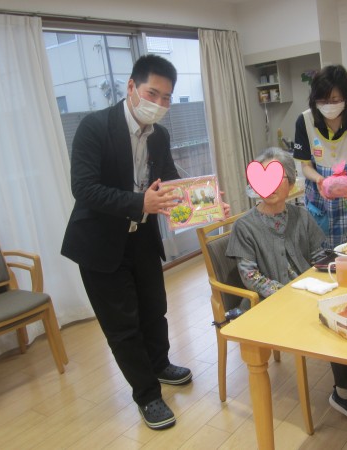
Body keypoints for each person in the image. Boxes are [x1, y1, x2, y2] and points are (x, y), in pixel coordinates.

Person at [62, 55, 227, 431]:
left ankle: (160, 364)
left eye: (167, 97)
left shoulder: (160, 136)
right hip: (100, 245)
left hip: (142, 240)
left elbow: (168, 185)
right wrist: (140, 203)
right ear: (131, 88)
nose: (159, 103)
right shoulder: (95, 127)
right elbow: (83, 188)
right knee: (123, 326)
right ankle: (147, 394)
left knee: (155, 309)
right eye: (153, 93)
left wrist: (205, 204)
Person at [226, 147, 347, 428]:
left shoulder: (300, 215)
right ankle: (344, 393)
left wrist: (330, 277)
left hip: (308, 290)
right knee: (335, 319)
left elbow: (319, 254)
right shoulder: (245, 226)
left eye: (277, 178)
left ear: (291, 183)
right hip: (270, 303)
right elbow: (250, 276)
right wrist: (287, 294)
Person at [293, 65, 347, 251]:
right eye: (323, 100)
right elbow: (306, 166)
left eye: (335, 100)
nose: (329, 105)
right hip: (320, 200)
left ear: (346, 98)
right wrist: (319, 179)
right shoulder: (305, 121)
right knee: (322, 254)